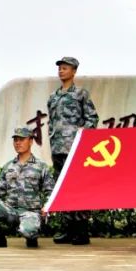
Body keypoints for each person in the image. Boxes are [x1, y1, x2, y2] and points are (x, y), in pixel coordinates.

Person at [0, 127, 55, 249]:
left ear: (31, 141)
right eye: (15, 140)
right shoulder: (8, 166)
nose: (18, 143)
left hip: (30, 212)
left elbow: (50, 191)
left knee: (28, 231)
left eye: (22, 139)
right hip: (10, 211)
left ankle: (31, 234)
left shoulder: (41, 166)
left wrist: (48, 206)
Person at [46, 56, 98, 245]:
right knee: (63, 189)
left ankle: (81, 231)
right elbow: (51, 122)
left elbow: (92, 118)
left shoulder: (81, 94)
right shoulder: (53, 97)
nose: (61, 71)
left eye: (65, 68)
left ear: (74, 71)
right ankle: (68, 229)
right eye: (60, 68)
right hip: (58, 149)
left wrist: (82, 135)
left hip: (75, 149)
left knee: (79, 187)